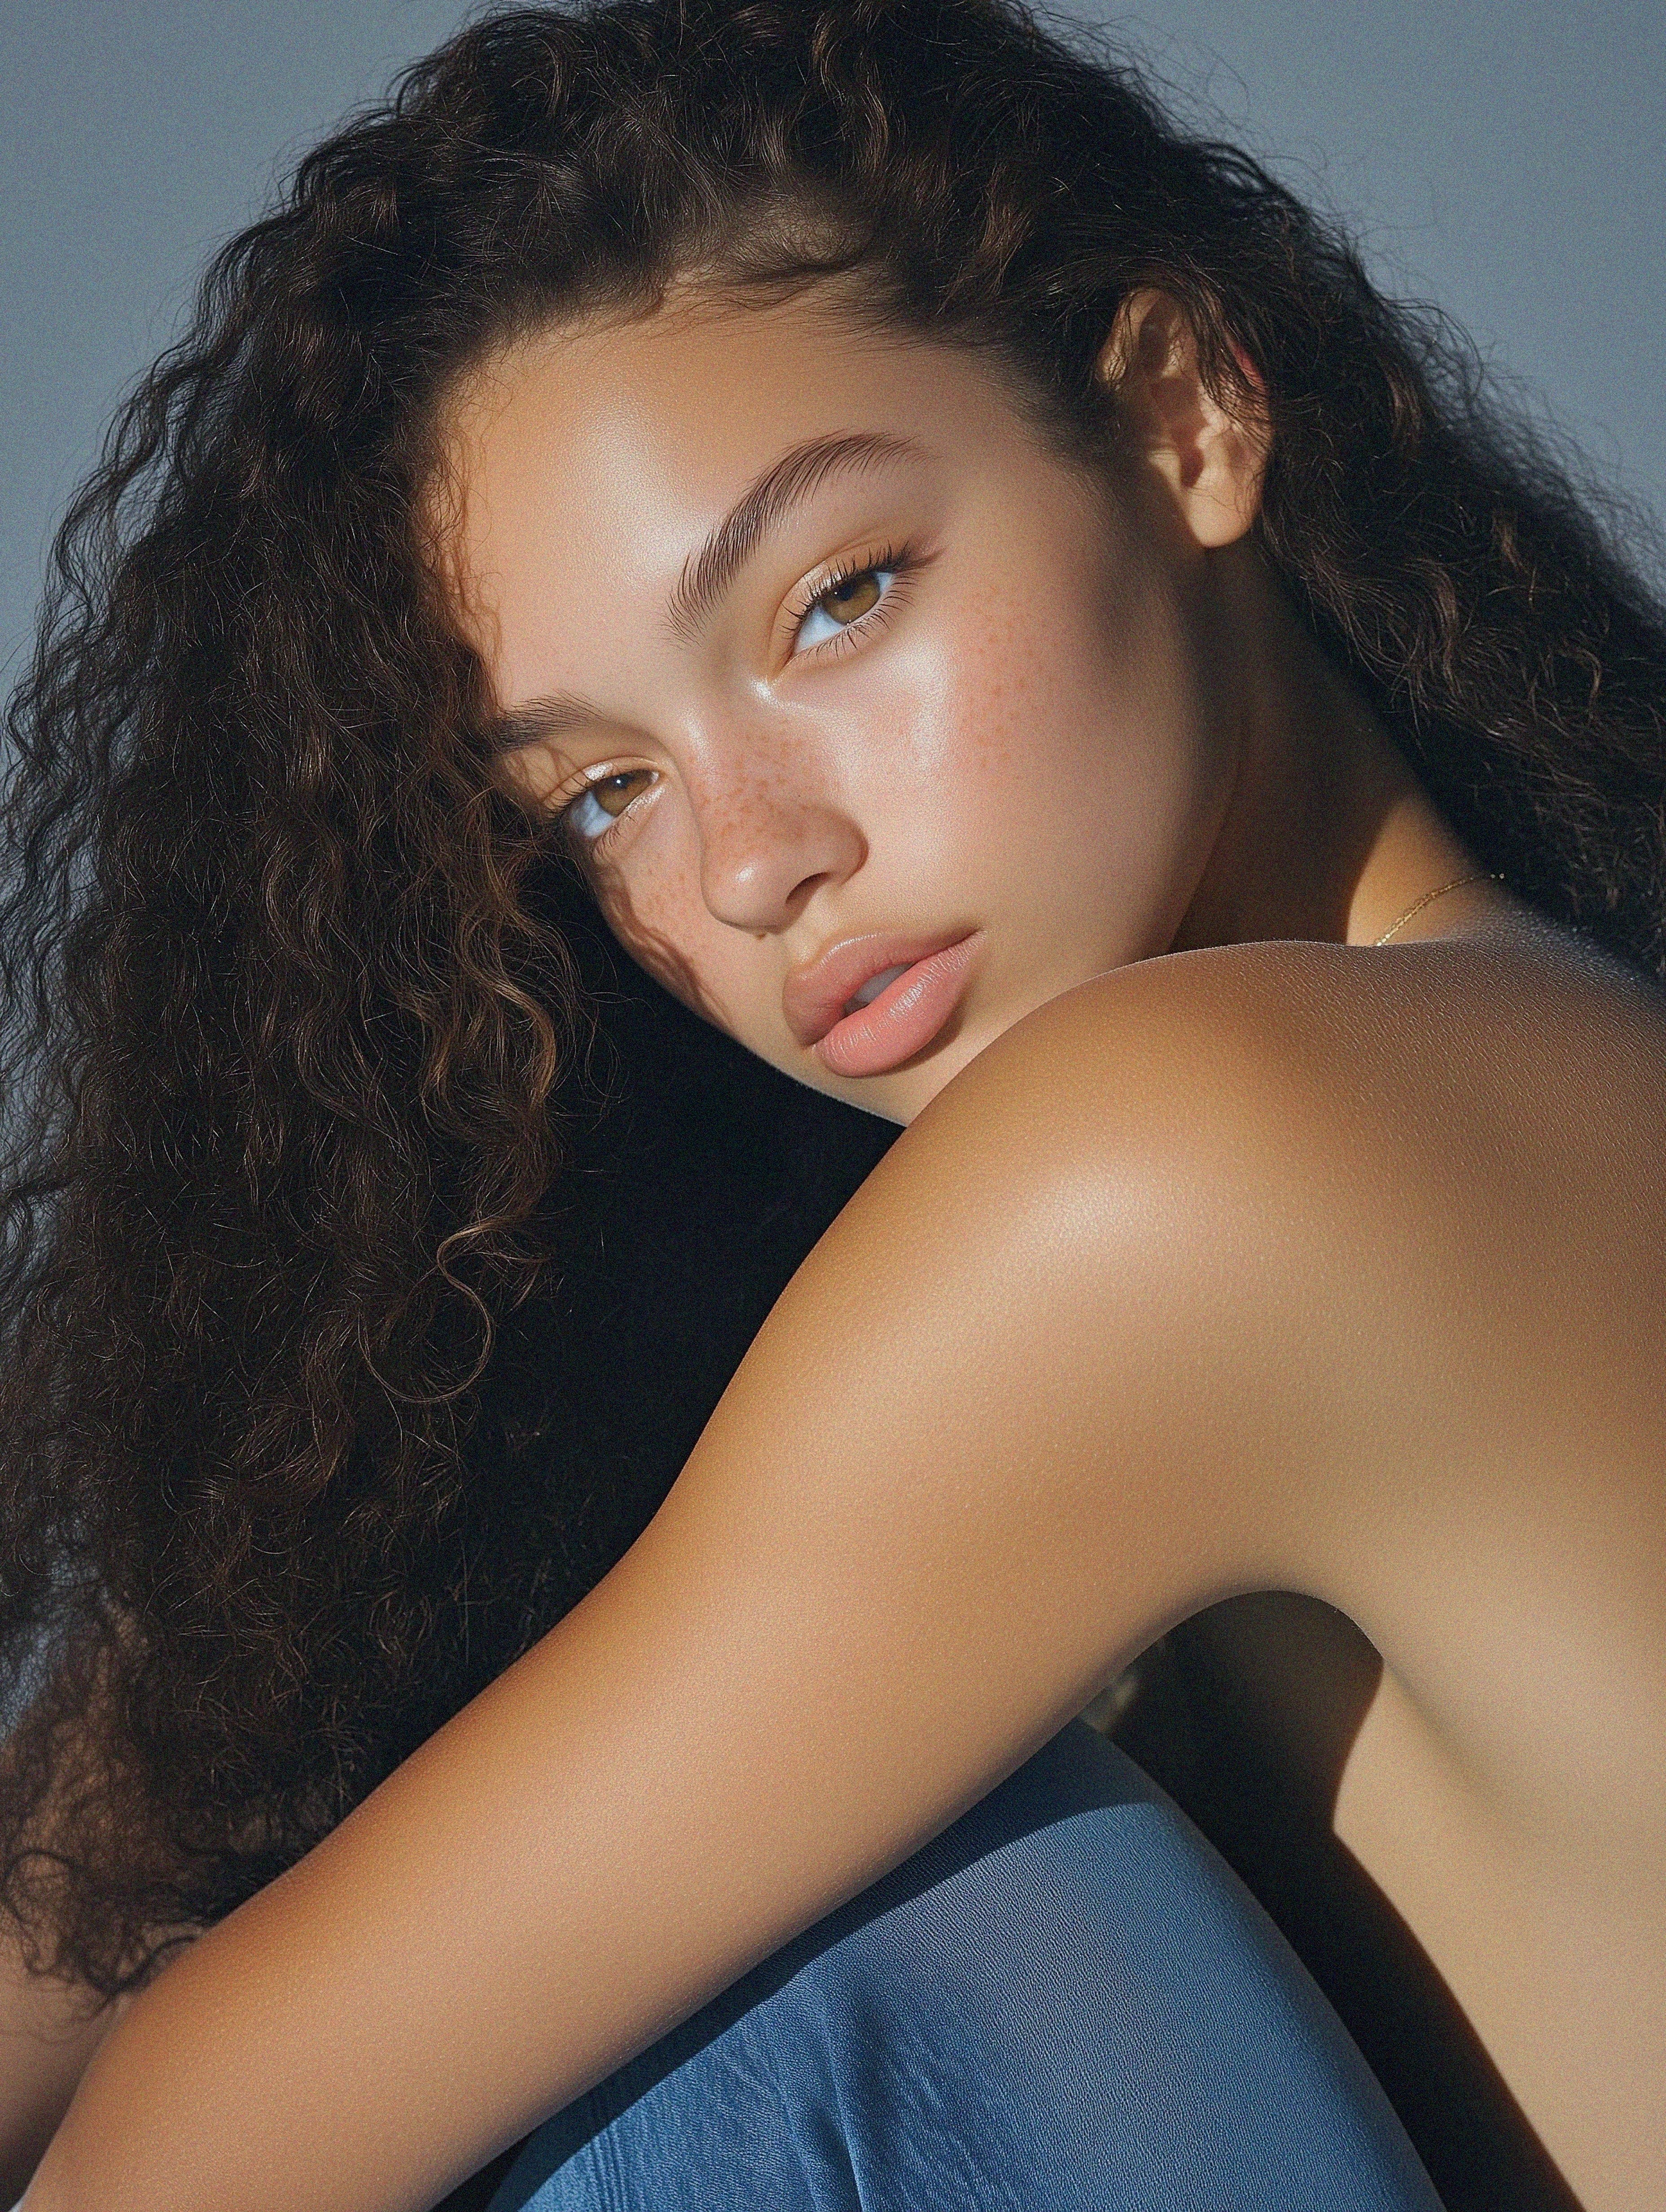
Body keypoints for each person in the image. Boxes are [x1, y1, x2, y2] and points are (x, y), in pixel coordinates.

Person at [1, 0, 1662, 2207]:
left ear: (1178, 416)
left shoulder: (1201, 1145)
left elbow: (185, 2163)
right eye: (601, 793)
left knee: (806, 1978)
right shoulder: (1501, 1040)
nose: (748, 863)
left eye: (838, 598)